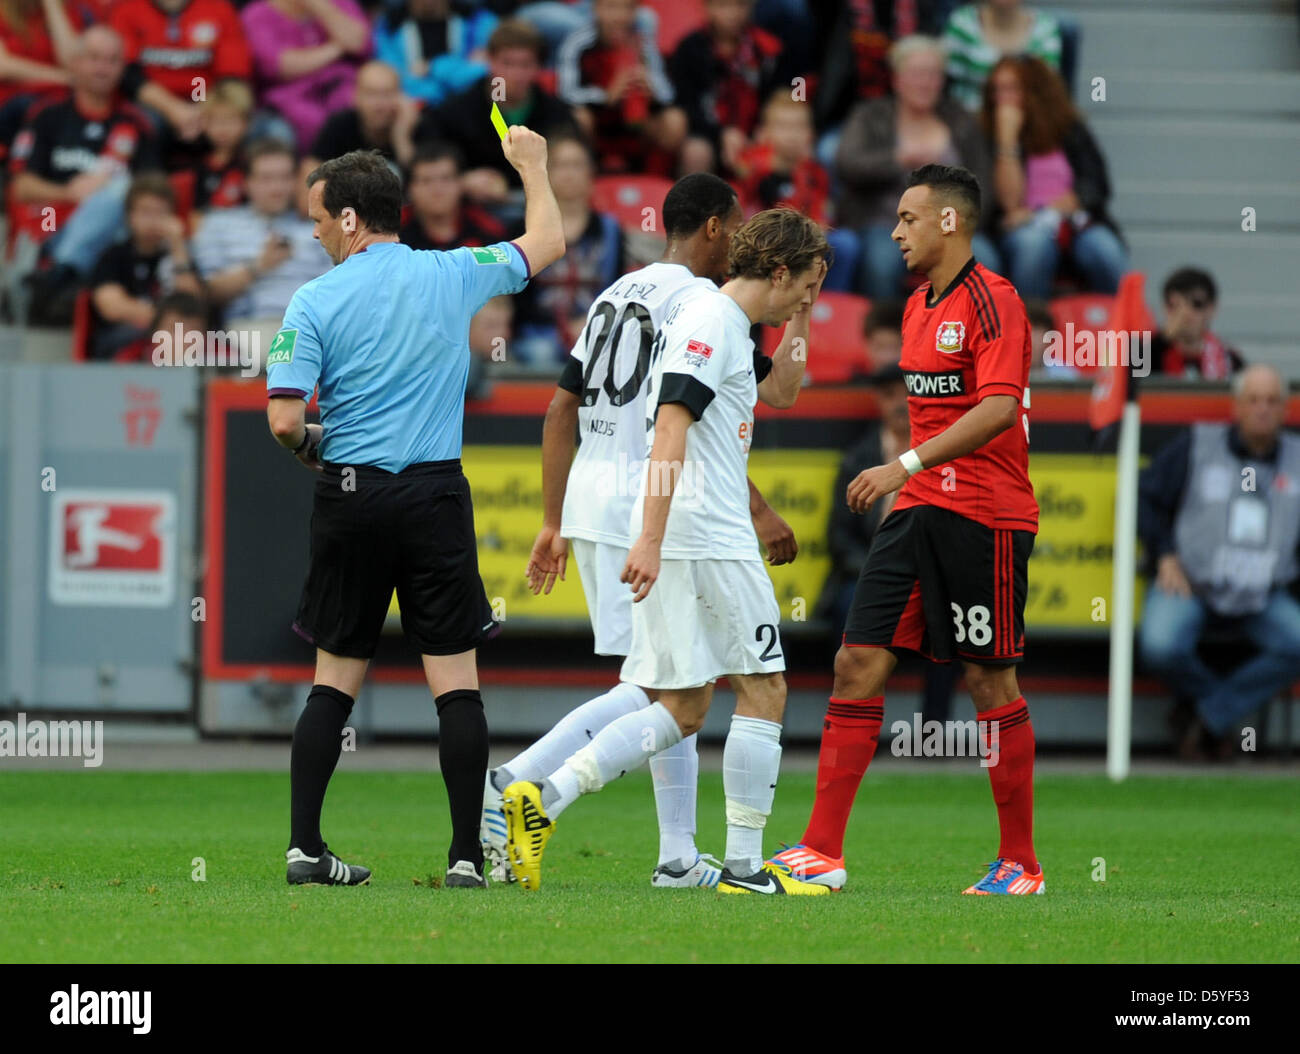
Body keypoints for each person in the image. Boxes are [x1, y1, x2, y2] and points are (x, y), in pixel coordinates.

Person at [482, 176, 804, 890]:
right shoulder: (704, 305)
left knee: (667, 683)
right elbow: (686, 426)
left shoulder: (616, 291)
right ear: (716, 229)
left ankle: (676, 855)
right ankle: (517, 785)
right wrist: (746, 511)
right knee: (666, 690)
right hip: (654, 504)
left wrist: (553, 516)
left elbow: (559, 410)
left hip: (603, 497)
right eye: (737, 227)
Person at [265, 132, 565, 888]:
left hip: (351, 495)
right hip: (432, 494)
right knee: (456, 685)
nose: (313, 231)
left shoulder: (314, 298)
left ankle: (305, 848)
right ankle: (466, 855)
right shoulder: (453, 271)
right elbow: (549, 241)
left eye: (319, 218)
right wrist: (531, 167)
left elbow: (282, 420)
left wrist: (312, 450)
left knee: (333, 682)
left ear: (352, 220)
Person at [769, 164, 1043, 896]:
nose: (894, 232)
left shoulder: (996, 302)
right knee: (856, 662)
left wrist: (902, 464)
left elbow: (996, 407)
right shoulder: (920, 305)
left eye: (907, 219)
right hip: (920, 507)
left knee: (988, 679)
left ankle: (1020, 863)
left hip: (985, 512)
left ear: (949, 222)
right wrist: (910, 475)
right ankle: (821, 851)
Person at [1137, 365, 1300, 761]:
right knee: (1159, 644)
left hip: (1265, 593)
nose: (1263, 409)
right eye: (1253, 400)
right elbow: (1144, 497)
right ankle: (1218, 713)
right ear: (1236, 407)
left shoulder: (1297, 458)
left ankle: (1206, 717)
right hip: (1191, 583)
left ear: (1285, 408)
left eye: (1272, 401)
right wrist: (1164, 554)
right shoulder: (1198, 444)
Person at [7, 24, 159, 319]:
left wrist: (104, 194)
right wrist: (69, 192)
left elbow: (150, 195)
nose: (102, 68)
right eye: (94, 58)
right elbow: (20, 186)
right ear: (75, 63)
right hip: (49, 231)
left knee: (121, 190)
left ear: (122, 68)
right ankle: (62, 272)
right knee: (116, 188)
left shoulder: (136, 124)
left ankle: (61, 274)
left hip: (111, 242)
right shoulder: (46, 116)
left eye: (112, 60)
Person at [835, 35, 996, 300]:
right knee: (881, 263)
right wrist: (897, 159)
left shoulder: (960, 120)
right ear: (897, 79)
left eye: (933, 75)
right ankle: (888, 335)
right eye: (917, 74)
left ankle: (969, 337)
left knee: (986, 259)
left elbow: (983, 185)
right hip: (885, 223)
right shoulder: (871, 115)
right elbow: (848, 164)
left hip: (950, 227)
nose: (925, 83)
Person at [982, 54, 1126, 300]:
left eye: (1011, 89)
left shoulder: (1069, 128)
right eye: (997, 90)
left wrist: (1043, 212)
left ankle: (1117, 329)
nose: (1001, 98)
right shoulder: (986, 133)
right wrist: (1007, 140)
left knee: (1105, 250)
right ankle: (1031, 328)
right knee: (1034, 246)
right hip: (1018, 232)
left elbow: (1095, 185)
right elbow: (1007, 205)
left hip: (1076, 223)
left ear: (1036, 91)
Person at [192, 138, 331, 362]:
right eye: (266, 179)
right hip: (247, 329)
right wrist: (258, 267)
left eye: (284, 178)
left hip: (309, 330)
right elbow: (209, 292)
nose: (277, 188)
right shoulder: (217, 225)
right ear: (246, 183)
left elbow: (335, 295)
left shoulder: (319, 229)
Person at [413, 19, 577, 209]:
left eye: (525, 64)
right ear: (490, 61)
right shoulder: (455, 112)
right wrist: (462, 178)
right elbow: (427, 155)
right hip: (471, 210)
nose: (516, 74)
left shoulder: (556, 113)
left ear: (538, 67)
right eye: (507, 63)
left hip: (540, 208)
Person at [511, 133, 623, 365]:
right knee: (541, 352)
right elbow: (514, 297)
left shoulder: (610, 230)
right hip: (537, 332)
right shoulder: (521, 228)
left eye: (577, 165)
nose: (569, 173)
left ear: (591, 173)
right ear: (546, 171)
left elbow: (618, 289)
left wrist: (591, 322)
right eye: (561, 165)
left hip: (595, 329)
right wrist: (561, 328)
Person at [733, 90, 859, 293]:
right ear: (764, 132)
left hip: (803, 241)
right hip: (761, 245)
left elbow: (821, 218)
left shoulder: (815, 173)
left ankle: (827, 308)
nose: (792, 135)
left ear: (810, 134)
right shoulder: (749, 166)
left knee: (844, 244)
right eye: (783, 126)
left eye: (799, 127)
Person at [554, 0, 686, 176]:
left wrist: (651, 90)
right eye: (611, 7)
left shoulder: (643, 42)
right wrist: (606, 96)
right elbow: (566, 93)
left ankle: (655, 178)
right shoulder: (578, 42)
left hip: (636, 119)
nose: (619, 16)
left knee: (675, 120)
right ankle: (589, 173)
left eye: (627, 8)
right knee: (579, 118)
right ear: (596, 10)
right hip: (598, 119)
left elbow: (668, 94)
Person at [668, 0, 791, 177]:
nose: (732, 13)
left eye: (740, 5)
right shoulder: (690, 48)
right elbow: (686, 105)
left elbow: (781, 94)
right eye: (723, 5)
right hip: (707, 135)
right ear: (706, 8)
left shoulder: (768, 48)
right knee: (695, 152)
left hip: (756, 134)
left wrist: (766, 128)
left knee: (787, 142)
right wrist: (721, 134)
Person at [88, 171, 202, 359]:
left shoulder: (179, 252)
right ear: (129, 216)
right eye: (146, 212)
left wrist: (178, 247)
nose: (153, 220)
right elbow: (112, 307)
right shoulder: (113, 255)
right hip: (125, 336)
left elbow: (194, 304)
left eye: (160, 213)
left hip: (177, 336)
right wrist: (165, 322)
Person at [240, 0, 371, 151]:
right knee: (309, 120)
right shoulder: (257, 14)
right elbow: (278, 66)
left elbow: (359, 43)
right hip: (288, 97)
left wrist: (319, 5)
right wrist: (338, 47)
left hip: (341, 87)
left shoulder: (342, 3)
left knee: (357, 107)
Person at [943, 0, 1062, 111]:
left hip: (1030, 116)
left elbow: (1047, 86)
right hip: (970, 115)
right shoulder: (962, 23)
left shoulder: (1045, 27)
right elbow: (947, 80)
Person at [372, 0, 496, 106]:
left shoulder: (479, 21)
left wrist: (432, 67)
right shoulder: (389, 29)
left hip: (472, 107)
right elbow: (394, 79)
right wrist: (460, 72)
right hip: (416, 110)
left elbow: (490, 70)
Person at [305, 60, 417, 175]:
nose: (379, 104)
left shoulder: (416, 125)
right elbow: (311, 170)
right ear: (356, 97)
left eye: (387, 94)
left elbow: (423, 180)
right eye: (371, 94)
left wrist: (401, 137)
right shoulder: (340, 125)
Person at [398, 141, 507, 253]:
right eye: (426, 181)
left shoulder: (488, 230)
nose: (437, 190)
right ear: (410, 189)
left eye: (446, 179)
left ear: (461, 183)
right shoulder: (392, 233)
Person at [1152, 267, 1244, 381]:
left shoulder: (1230, 361)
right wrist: (1163, 339)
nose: (1186, 313)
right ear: (1164, 308)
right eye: (1175, 305)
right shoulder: (1147, 355)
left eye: (1197, 304)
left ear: (1212, 309)